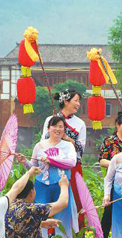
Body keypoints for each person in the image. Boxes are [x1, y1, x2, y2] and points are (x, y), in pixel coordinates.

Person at [16, 116, 78, 238]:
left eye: (61, 126)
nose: (58, 129)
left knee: (63, 220)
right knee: (40, 217)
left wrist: (51, 160)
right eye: (54, 126)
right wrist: (24, 161)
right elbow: (34, 167)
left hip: (61, 185)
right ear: (48, 128)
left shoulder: (68, 146)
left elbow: (71, 163)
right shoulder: (39, 146)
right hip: (41, 185)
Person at [42, 89, 86, 227]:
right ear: (66, 101)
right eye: (76, 100)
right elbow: (44, 140)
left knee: (76, 199)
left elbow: (80, 147)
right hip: (51, 165)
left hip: (72, 165)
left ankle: (76, 235)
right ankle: (50, 233)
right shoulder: (50, 120)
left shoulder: (80, 124)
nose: (78, 104)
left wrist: (66, 137)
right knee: (52, 197)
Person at [98, 111, 122, 238]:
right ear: (117, 125)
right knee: (109, 210)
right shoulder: (109, 141)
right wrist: (117, 165)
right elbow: (101, 160)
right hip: (114, 180)